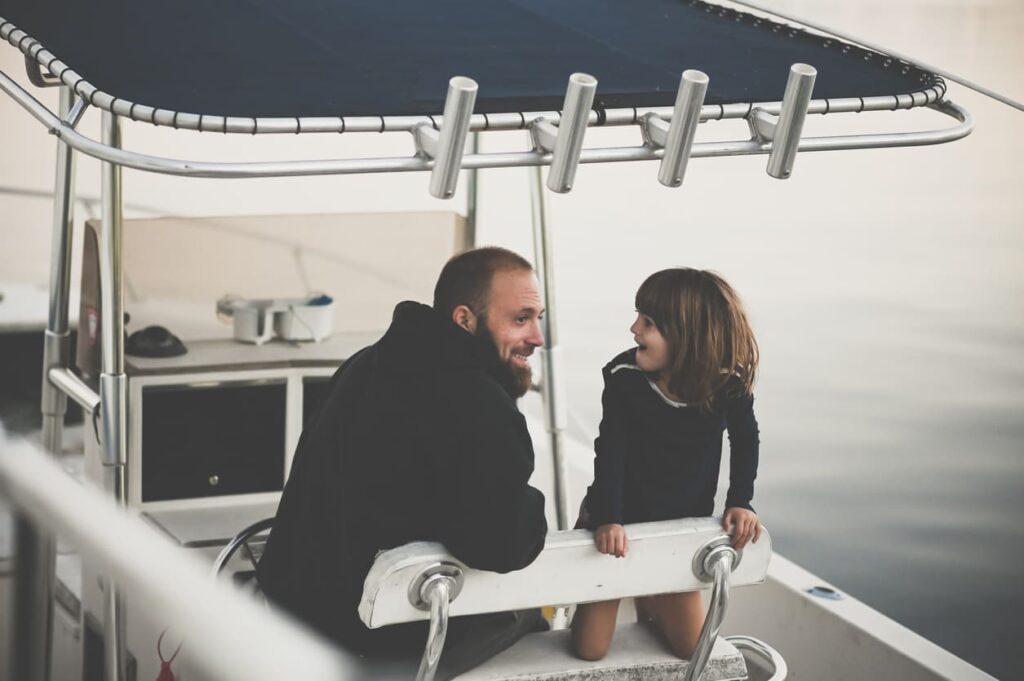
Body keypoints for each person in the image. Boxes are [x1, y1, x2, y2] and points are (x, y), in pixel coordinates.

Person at [257, 247, 549, 679]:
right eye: (520, 319)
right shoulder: (481, 406)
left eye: (538, 318)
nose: (537, 337)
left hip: (293, 615)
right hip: (377, 642)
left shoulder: (365, 364)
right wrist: (532, 508)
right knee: (531, 613)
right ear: (464, 319)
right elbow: (501, 546)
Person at [571, 268, 762, 662]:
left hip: (678, 527)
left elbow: (744, 441)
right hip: (614, 524)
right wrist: (608, 518)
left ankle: (653, 595)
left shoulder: (728, 383)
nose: (633, 328)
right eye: (637, 316)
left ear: (687, 338)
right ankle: (639, 593)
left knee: (692, 648)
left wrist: (741, 501)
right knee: (589, 650)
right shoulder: (624, 378)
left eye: (649, 322)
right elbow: (611, 450)